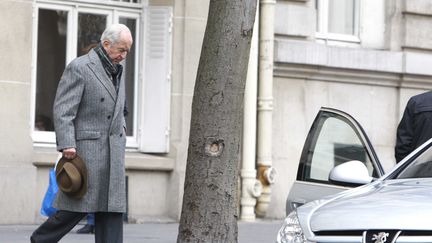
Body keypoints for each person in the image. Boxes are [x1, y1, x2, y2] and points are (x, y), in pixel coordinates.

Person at [31, 23, 133, 243]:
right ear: (106, 44)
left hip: (113, 151)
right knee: (74, 208)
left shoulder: (119, 71)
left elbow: (120, 108)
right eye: (121, 50)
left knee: (111, 210)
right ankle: (40, 240)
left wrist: (122, 129)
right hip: (87, 152)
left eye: (127, 51)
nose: (124, 56)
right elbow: (63, 109)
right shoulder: (80, 67)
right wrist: (67, 143)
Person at [395, 91, 432, 163]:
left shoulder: (416, 102)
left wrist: (405, 171)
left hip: (419, 168)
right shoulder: (416, 102)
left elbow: (403, 145)